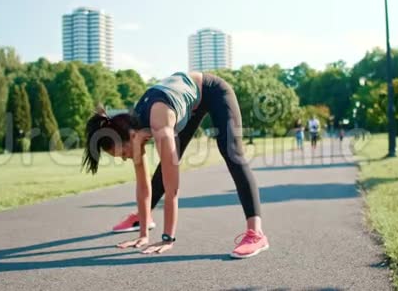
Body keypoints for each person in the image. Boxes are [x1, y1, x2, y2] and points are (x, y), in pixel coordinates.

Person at [83, 71, 269, 259]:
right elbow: (143, 186)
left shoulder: (159, 126)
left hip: (213, 91)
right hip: (187, 104)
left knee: (232, 153)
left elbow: (172, 190)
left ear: (131, 137)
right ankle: (142, 218)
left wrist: (167, 238)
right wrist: (143, 235)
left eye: (123, 153)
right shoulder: (133, 130)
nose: (125, 158)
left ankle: (256, 234)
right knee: (164, 169)